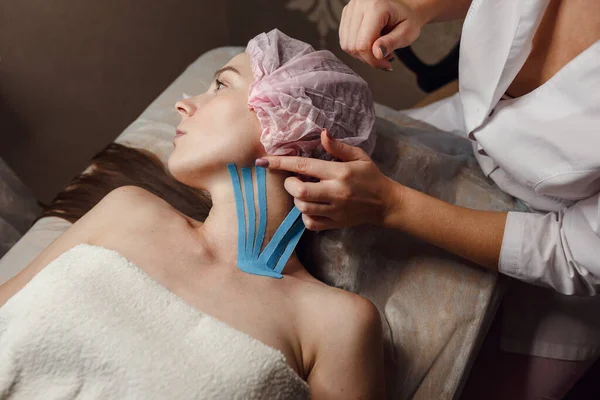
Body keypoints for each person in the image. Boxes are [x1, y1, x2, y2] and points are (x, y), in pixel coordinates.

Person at [0, 30, 386, 399]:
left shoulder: (336, 323)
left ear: (289, 119)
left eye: (221, 85)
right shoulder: (126, 210)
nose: (183, 104)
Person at [255, 0, 600, 399]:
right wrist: (413, 6)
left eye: (223, 85)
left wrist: (393, 207)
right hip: (460, 130)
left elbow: (576, 249)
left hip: (559, 268)